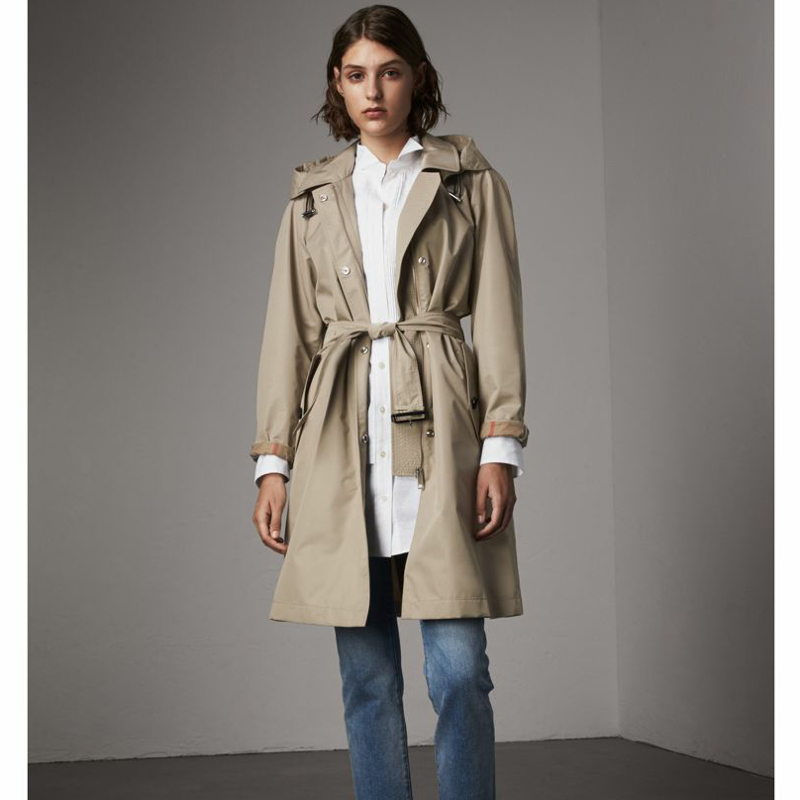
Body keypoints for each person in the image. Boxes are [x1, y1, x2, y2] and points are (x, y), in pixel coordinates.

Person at [250, 6, 529, 799]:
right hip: (341, 446)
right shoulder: (311, 199)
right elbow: (287, 337)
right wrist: (273, 464)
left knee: (459, 671)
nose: (373, 91)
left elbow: (499, 319)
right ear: (337, 86)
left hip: (444, 439)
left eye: (390, 71)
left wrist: (500, 446)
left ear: (417, 78)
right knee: (367, 681)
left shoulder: (469, 183)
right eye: (356, 75)